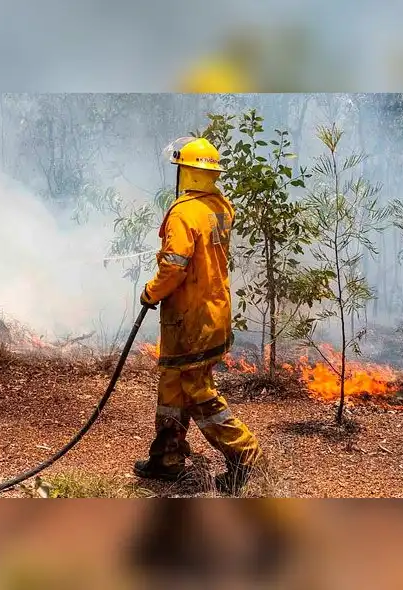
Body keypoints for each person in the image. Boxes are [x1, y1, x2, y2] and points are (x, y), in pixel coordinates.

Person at [134, 136, 262, 495]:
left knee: (195, 389)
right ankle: (167, 458)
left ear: (186, 172)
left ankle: (245, 454)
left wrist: (150, 292)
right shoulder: (220, 205)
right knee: (172, 385)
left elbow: (174, 267)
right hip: (212, 312)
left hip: (190, 319)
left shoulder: (182, 212)